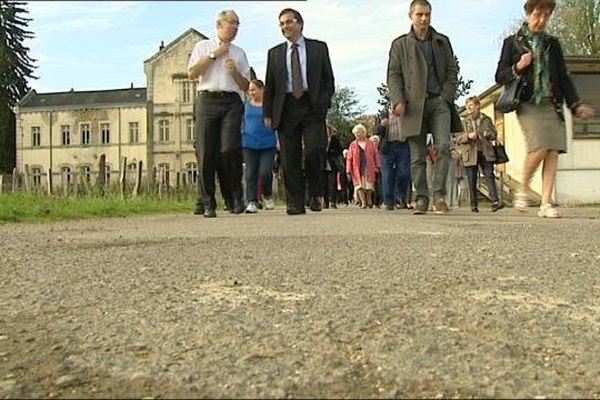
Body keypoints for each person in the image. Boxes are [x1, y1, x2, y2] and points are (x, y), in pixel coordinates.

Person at [495, 0, 595, 218]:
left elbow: (563, 78)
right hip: (528, 102)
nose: (541, 20)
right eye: (538, 14)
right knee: (539, 146)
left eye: (546, 15)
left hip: (552, 102)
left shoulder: (553, 44)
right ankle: (523, 189)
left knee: (552, 151)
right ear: (528, 13)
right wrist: (518, 66)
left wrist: (575, 104)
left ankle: (546, 203)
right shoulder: (512, 43)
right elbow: (500, 75)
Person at [387, 0, 459, 215]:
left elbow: (451, 70)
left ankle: (439, 196)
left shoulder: (441, 41)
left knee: (444, 146)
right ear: (410, 15)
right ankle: (421, 198)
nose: (424, 19)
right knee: (417, 155)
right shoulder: (400, 44)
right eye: (419, 14)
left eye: (427, 14)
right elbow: (393, 74)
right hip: (413, 103)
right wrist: (398, 99)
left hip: (439, 102)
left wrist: (446, 96)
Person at [263, 8, 335, 215]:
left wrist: (324, 102)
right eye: (281, 24)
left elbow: (328, 79)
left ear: (300, 24)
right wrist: (268, 112)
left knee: (314, 150)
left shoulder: (318, 48)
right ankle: (294, 201)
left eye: (288, 22)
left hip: (312, 105)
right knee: (289, 157)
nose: (285, 27)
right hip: (285, 107)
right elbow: (271, 85)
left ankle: (314, 194)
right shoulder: (274, 53)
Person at [188, 10, 251, 218]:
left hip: (231, 101)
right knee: (206, 153)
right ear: (219, 24)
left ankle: (234, 197)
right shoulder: (202, 46)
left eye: (238, 24)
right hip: (207, 100)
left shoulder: (240, 53)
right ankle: (208, 202)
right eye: (232, 23)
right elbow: (192, 73)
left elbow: (246, 85)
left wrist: (234, 72)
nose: (235, 27)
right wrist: (214, 55)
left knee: (229, 149)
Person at [455, 96, 504, 213]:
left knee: (489, 175)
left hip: (485, 152)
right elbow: (457, 138)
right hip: (470, 153)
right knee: (471, 180)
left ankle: (495, 201)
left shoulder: (486, 119)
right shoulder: (463, 122)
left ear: (477, 106)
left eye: (471, 105)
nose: (468, 108)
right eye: (467, 106)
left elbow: (494, 134)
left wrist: (489, 134)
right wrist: (468, 136)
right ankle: (473, 205)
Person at [241, 79, 277, 213]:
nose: (251, 93)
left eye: (254, 89)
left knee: (265, 171)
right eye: (250, 90)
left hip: (268, 143)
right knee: (250, 173)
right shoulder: (245, 106)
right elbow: (241, 122)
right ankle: (252, 201)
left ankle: (267, 195)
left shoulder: (270, 106)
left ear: (262, 90)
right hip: (249, 143)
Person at [378, 112, 411, 211]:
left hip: (403, 145)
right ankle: (388, 202)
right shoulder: (384, 114)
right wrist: (382, 125)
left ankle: (401, 198)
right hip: (388, 146)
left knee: (404, 173)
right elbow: (376, 131)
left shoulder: (407, 114)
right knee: (387, 174)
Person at [346, 124, 380, 209]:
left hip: (369, 166)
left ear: (363, 132)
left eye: (359, 132)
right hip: (357, 168)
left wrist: (378, 165)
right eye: (356, 133)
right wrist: (348, 170)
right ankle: (363, 202)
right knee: (359, 185)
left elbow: (376, 155)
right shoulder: (353, 145)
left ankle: (369, 199)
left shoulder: (370, 143)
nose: (358, 134)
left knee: (369, 185)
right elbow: (349, 158)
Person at [323, 124, 344, 209]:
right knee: (324, 183)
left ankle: (333, 201)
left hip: (332, 163)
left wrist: (331, 152)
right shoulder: (320, 138)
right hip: (323, 163)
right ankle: (325, 202)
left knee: (333, 182)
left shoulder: (334, 138)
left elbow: (340, 149)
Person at [369, 135, 383, 208]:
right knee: (371, 187)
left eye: (376, 141)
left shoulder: (381, 150)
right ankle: (370, 202)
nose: (375, 143)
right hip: (371, 170)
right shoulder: (368, 150)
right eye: (373, 141)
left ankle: (378, 202)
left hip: (380, 170)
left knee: (378, 186)